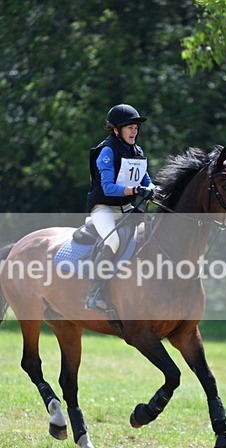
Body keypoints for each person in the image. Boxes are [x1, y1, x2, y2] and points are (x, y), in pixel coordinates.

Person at [84, 103, 156, 311]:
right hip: (103, 208)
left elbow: (147, 179)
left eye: (136, 127)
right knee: (113, 241)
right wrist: (135, 190)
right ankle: (95, 291)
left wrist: (151, 189)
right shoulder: (107, 151)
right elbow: (108, 188)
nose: (134, 131)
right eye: (129, 127)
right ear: (116, 130)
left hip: (125, 208)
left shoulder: (136, 150)